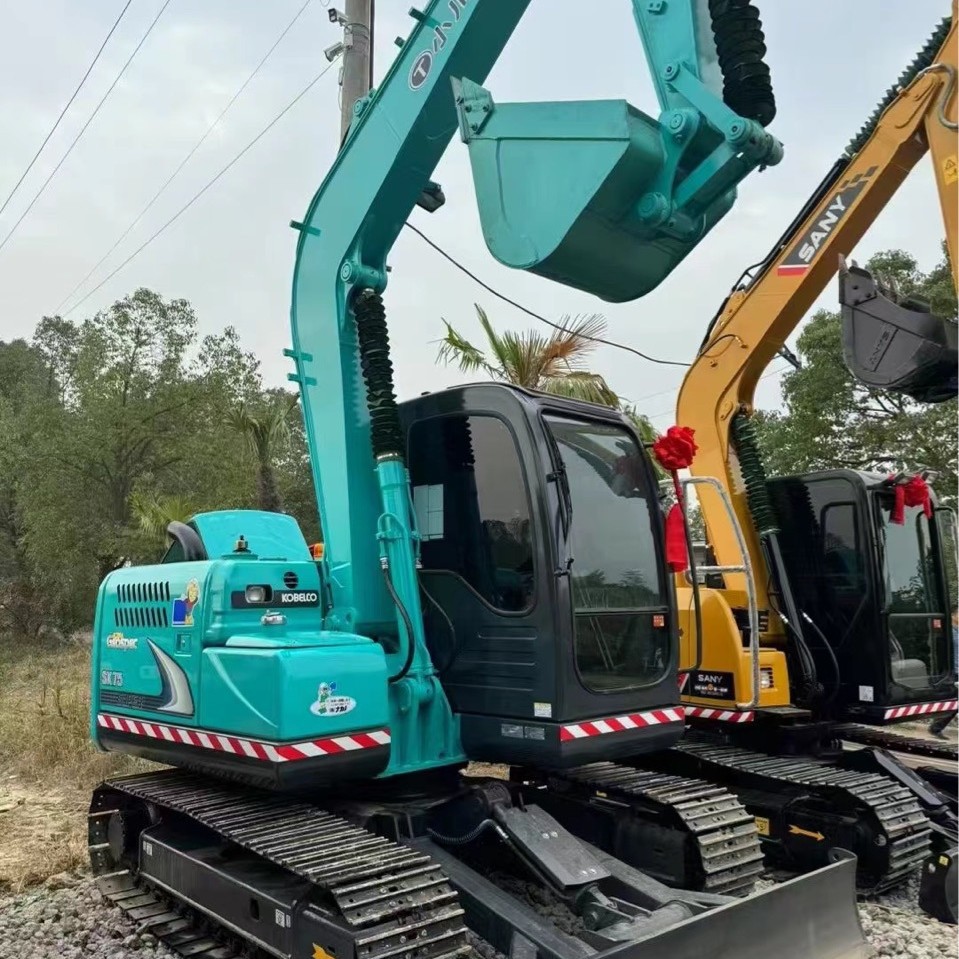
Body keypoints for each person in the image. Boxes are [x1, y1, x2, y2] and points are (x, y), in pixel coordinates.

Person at [929, 607, 959, 740]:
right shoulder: (947, 632)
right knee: (953, 703)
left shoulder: (957, 631)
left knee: (954, 703)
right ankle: (935, 727)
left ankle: (936, 727)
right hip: (951, 672)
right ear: (953, 615)